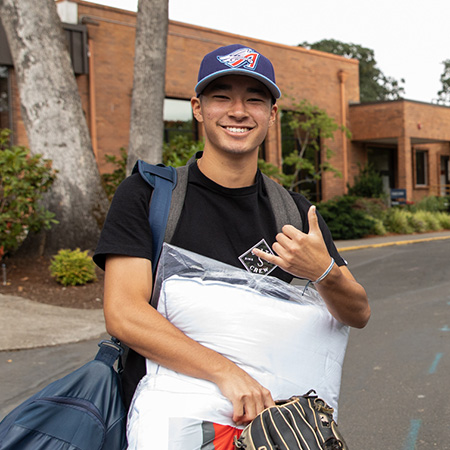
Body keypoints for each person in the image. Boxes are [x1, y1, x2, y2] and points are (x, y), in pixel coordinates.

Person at [94, 43, 370, 430]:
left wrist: (324, 271)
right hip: (168, 425)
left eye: (254, 100)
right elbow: (123, 312)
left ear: (272, 115)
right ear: (197, 108)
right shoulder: (149, 195)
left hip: (269, 430)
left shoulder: (292, 211)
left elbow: (357, 313)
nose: (238, 111)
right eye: (221, 97)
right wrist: (226, 372)